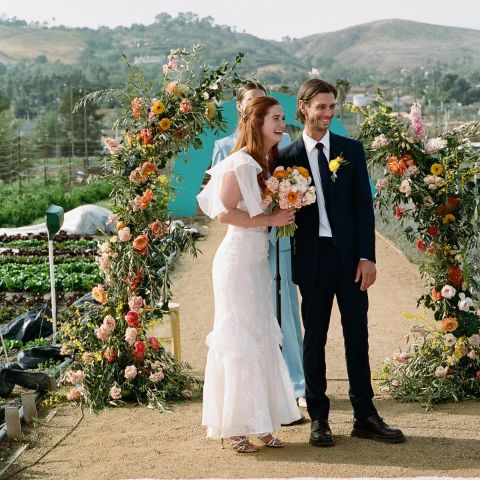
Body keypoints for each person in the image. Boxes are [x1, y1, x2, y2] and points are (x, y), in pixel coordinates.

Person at [278, 79, 406, 446]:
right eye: (321, 107)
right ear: (303, 108)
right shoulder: (286, 158)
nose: (328, 113)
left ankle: (365, 415)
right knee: (314, 340)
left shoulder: (351, 150)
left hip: (351, 261)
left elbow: (363, 209)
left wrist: (368, 257)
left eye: (332, 107)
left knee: (357, 336)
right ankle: (319, 418)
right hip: (312, 260)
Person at [198, 96, 301, 453]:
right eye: (275, 118)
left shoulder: (267, 163)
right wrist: (271, 218)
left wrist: (288, 201)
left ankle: (264, 422)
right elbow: (225, 213)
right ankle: (235, 427)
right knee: (240, 339)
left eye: (283, 118)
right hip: (237, 262)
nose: (281, 124)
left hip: (257, 262)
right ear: (256, 123)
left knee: (260, 336)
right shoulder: (239, 163)